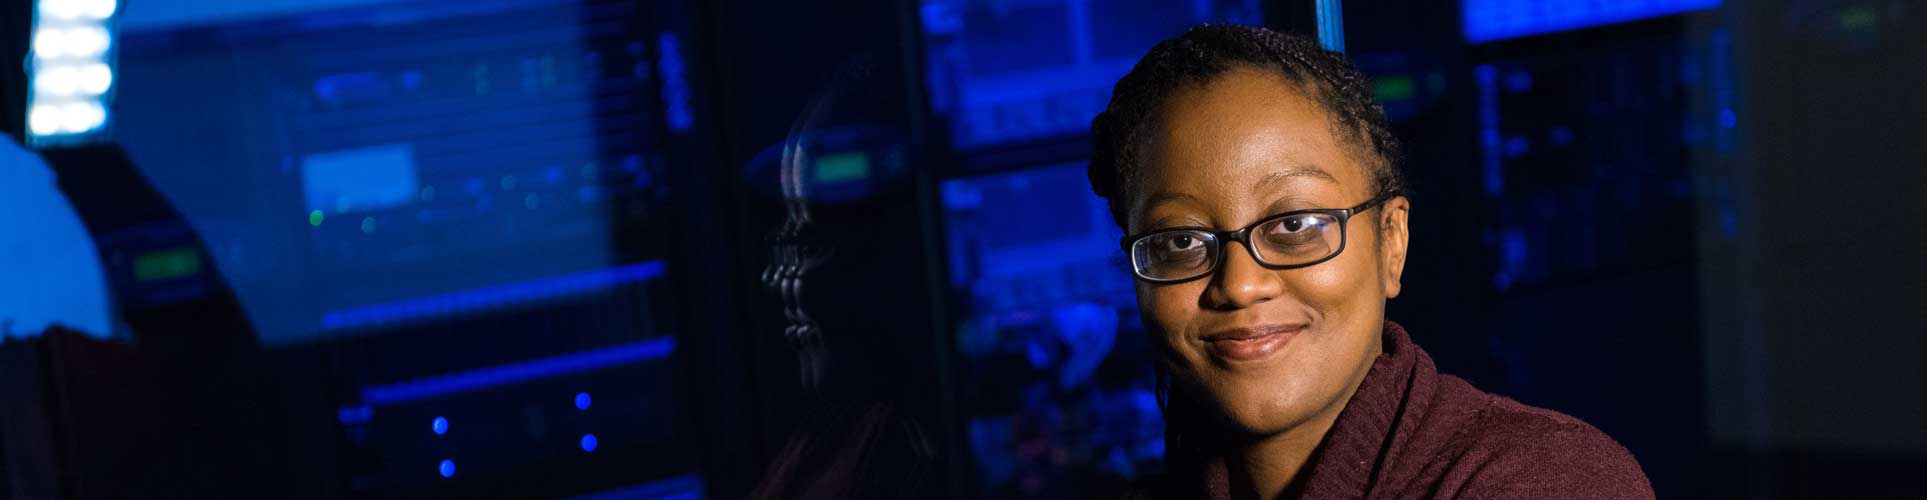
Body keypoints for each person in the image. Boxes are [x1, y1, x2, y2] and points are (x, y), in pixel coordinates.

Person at [1088, 25, 1653, 499]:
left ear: (1392, 241)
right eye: (1181, 242)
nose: (1239, 283)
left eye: (1294, 226)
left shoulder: (1545, 481)